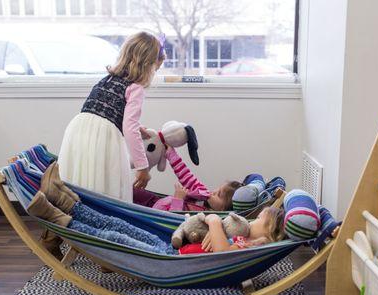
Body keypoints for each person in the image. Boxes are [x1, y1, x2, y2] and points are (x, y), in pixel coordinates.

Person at [27, 163, 287, 256]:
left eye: (263, 219)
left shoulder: (247, 246)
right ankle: (65, 200)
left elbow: (221, 252)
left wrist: (214, 222)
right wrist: (210, 218)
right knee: (118, 225)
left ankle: (56, 216)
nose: (256, 219)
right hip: (170, 243)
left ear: (267, 235)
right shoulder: (240, 231)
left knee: (115, 238)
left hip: (169, 258)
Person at [58, 32, 165, 201]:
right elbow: (128, 129)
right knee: (105, 184)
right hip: (103, 139)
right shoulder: (136, 88)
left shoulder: (107, 79)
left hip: (78, 131)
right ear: (148, 65)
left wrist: (137, 127)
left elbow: (104, 112)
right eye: (155, 68)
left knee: (84, 178)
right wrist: (142, 167)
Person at [133, 145, 242, 212]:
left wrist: (178, 199)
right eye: (217, 189)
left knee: (126, 209)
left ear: (222, 210)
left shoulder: (204, 218)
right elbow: (185, 175)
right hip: (155, 201)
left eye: (218, 194)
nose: (212, 192)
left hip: (155, 215)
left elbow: (175, 222)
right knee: (130, 191)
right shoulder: (203, 193)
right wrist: (171, 153)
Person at [178, 207, 286, 254]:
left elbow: (223, 254)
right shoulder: (245, 240)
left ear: (270, 229)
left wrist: (214, 222)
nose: (251, 221)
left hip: (182, 262)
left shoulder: (251, 248)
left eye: (258, 218)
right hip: (182, 252)